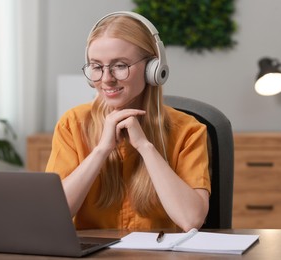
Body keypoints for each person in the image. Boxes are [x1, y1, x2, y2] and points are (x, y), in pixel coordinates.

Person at [45, 11, 210, 232]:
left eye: (120, 65)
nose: (106, 79)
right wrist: (101, 151)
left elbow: (191, 220)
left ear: (153, 68)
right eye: (96, 66)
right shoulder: (72, 124)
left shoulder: (188, 130)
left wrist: (145, 147)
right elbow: (52, 217)